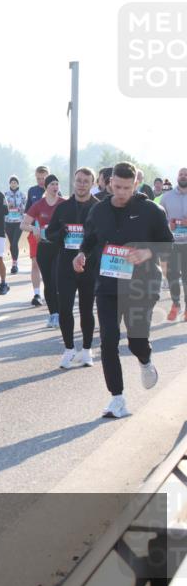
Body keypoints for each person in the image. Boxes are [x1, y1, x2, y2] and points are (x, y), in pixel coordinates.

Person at [74, 161, 173, 419]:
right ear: (109, 183)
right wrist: (81, 254)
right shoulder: (98, 210)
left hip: (142, 285)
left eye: (127, 188)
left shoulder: (152, 211)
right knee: (108, 341)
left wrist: (148, 252)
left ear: (136, 184)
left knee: (136, 341)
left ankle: (145, 359)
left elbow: (168, 244)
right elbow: (90, 239)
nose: (121, 193)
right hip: (108, 284)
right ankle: (117, 399)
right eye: (117, 187)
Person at [46, 167, 97, 368]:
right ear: (73, 182)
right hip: (66, 265)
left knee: (86, 309)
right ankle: (68, 349)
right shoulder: (63, 207)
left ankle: (87, 350)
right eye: (79, 180)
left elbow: (104, 237)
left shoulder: (98, 208)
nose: (81, 184)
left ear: (92, 184)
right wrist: (60, 234)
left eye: (86, 181)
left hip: (89, 266)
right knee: (65, 309)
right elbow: (50, 233)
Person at [23, 174, 64, 327]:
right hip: (44, 247)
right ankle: (53, 314)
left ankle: (60, 313)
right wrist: (34, 228)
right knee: (48, 282)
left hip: (59, 247)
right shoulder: (39, 205)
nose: (55, 186)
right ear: (46, 187)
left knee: (56, 280)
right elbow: (23, 224)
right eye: (52, 184)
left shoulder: (63, 203)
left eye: (57, 184)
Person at [160, 167, 187, 321]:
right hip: (172, 243)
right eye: (181, 174)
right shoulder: (167, 197)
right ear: (177, 177)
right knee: (172, 276)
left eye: (186, 174)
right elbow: (159, 219)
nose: (183, 176)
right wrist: (167, 225)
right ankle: (176, 304)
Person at [4, 175, 27, 274]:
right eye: (12, 182)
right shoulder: (5, 194)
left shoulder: (22, 195)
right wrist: (7, 206)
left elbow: (26, 207)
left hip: (19, 222)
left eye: (15, 182)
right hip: (8, 222)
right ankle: (13, 261)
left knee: (14, 243)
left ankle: (15, 264)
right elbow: (2, 208)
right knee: (11, 243)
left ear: (18, 184)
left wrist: (19, 208)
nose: (13, 184)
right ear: (9, 184)